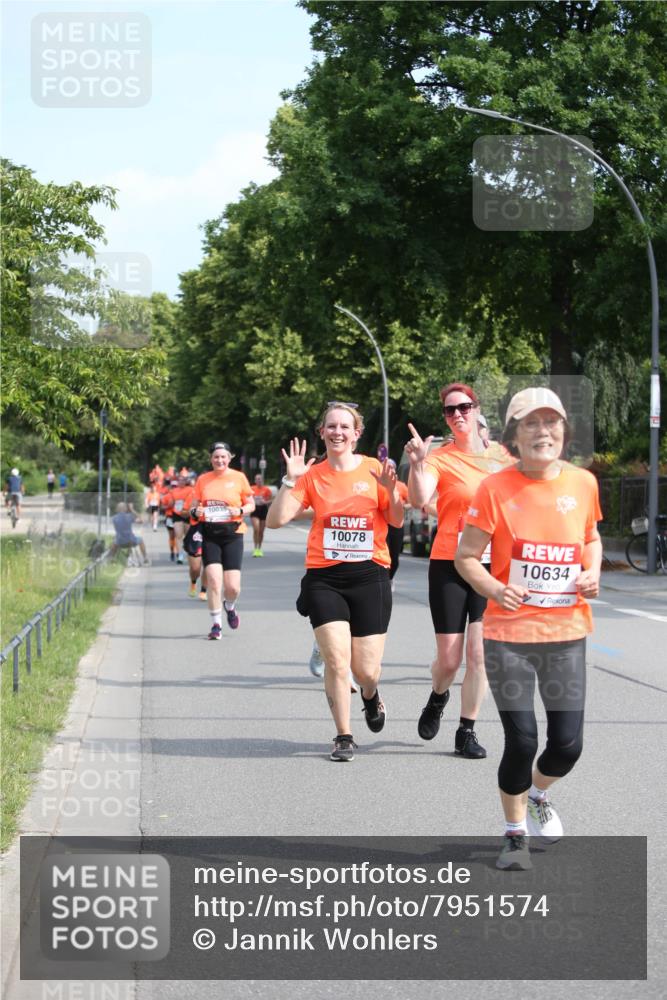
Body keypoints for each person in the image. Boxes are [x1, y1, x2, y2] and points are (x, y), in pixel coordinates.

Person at [455, 387, 602, 871]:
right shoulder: (495, 489)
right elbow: (466, 558)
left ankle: (538, 794)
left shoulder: (583, 483)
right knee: (522, 739)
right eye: (531, 424)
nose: (543, 432)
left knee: (568, 744)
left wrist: (592, 570)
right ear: (514, 436)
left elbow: (591, 539)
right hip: (509, 638)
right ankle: (514, 833)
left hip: (565, 635)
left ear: (564, 430)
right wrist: (494, 590)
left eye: (551, 422)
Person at [266, 402, 404, 762]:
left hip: (369, 574)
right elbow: (275, 520)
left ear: (357, 434)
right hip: (324, 576)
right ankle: (344, 735)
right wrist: (290, 478)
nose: (337, 432)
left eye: (345, 427)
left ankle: (371, 696)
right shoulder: (312, 475)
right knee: (337, 661)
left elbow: (396, 519)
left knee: (365, 670)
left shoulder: (376, 469)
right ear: (322, 432)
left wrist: (391, 492)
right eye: (331, 426)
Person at [406, 382, 515, 759]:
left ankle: (466, 731)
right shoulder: (440, 457)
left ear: (476, 408)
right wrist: (418, 462)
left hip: (491, 568)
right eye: (450, 410)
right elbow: (419, 499)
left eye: (464, 407)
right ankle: (438, 697)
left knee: (480, 654)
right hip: (449, 564)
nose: (458, 415)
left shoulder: (503, 457)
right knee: (450, 660)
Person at [191, 442, 255, 639]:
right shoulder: (203, 479)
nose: (219, 460)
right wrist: (196, 510)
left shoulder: (239, 477)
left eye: (223, 457)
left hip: (233, 534)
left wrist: (241, 510)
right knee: (214, 580)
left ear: (229, 458)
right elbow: (193, 506)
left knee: (233, 587)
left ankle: (230, 606)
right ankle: (216, 624)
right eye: (216, 457)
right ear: (211, 459)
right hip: (210, 534)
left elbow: (251, 503)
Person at [385, 459, 410, 589]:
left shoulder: (401, 486)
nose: (390, 470)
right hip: (381, 524)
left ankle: (390, 578)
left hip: (396, 524)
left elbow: (412, 502)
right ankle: (382, 579)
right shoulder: (378, 483)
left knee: (394, 556)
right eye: (387, 467)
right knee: (383, 553)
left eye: (392, 467)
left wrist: (402, 506)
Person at [250, 474, 273, 556]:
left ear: (262, 480)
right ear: (255, 481)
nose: (258, 480)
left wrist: (265, 502)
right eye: (257, 479)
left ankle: (259, 548)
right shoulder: (252, 489)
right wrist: (252, 500)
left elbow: (271, 500)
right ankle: (255, 548)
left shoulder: (266, 489)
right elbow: (247, 498)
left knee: (261, 531)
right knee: (256, 529)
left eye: (260, 479)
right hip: (255, 509)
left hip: (263, 510)